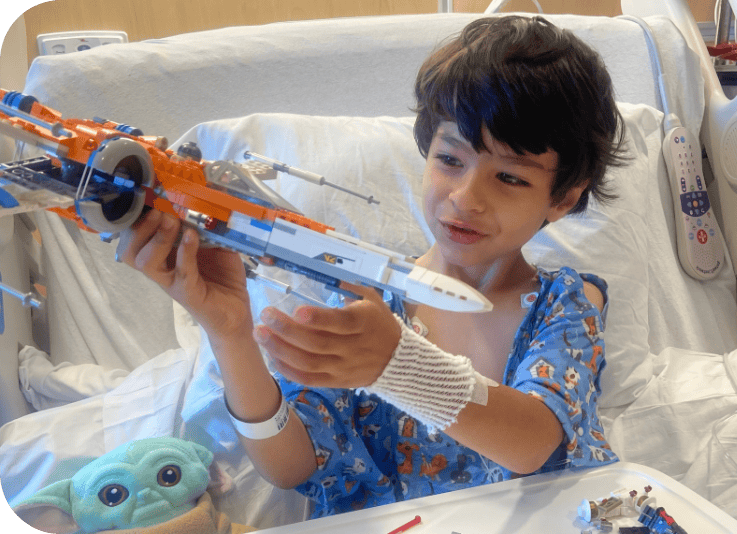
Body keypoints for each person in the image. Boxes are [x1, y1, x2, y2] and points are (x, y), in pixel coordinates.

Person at [119, 15, 628, 517]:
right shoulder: (364, 300)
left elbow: (532, 444)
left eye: (511, 178)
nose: (465, 198)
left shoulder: (566, 303)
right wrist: (228, 332)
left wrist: (397, 364)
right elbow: (291, 466)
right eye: (450, 160)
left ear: (562, 198)